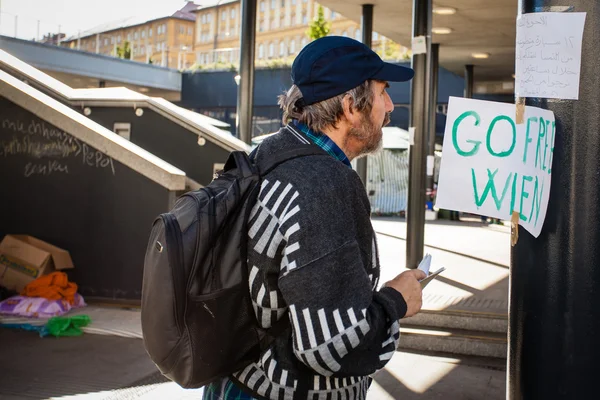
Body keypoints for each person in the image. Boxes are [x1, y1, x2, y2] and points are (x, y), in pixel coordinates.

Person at [203, 36, 426, 400]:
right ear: (351, 106)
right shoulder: (323, 186)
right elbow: (333, 345)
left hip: (239, 382)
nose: (390, 106)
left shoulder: (269, 154)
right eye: (383, 92)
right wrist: (395, 300)